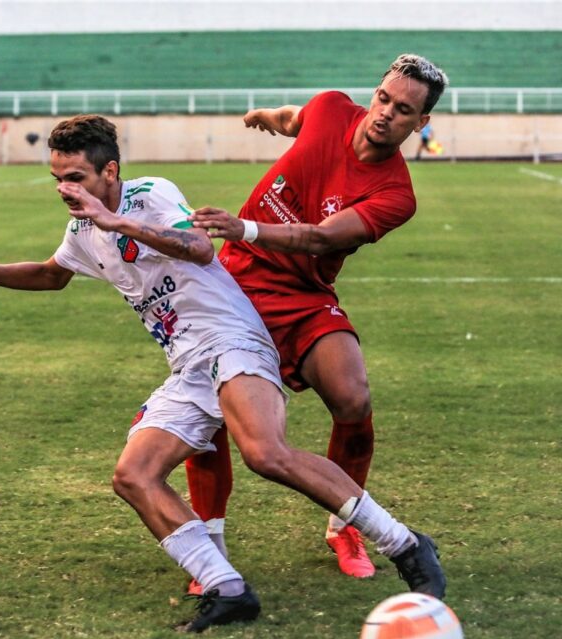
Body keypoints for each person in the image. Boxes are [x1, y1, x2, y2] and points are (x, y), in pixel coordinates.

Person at [0, 114, 445, 632]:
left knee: (265, 453)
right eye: (57, 179)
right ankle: (227, 588)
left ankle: (403, 543)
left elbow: (200, 247)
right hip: (188, 367)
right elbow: (51, 275)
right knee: (133, 476)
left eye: (75, 177)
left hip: (233, 340)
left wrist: (119, 222)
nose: (64, 190)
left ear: (110, 171)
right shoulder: (82, 229)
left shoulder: (150, 195)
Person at [188, 54, 449, 583]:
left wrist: (245, 227)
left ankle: (345, 527)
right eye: (383, 98)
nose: (386, 113)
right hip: (235, 284)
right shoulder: (330, 107)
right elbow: (293, 119)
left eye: (403, 110)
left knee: (354, 398)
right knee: (208, 409)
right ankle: (209, 540)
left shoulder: (395, 195)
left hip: (303, 293)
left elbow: (321, 237)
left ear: (421, 123)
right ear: (374, 93)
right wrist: (263, 115)